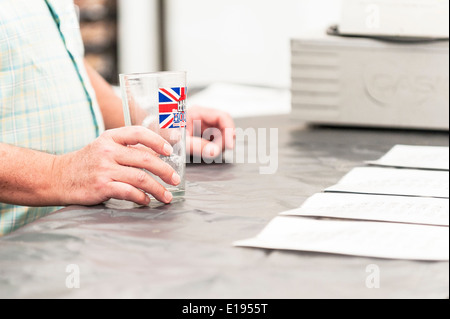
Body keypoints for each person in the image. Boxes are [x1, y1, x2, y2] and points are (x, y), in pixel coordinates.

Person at [0, 0, 235, 236]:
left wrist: (153, 125)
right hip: (15, 250)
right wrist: (60, 173)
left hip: (75, 235)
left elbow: (61, 59)